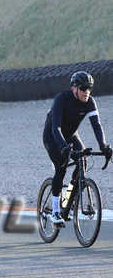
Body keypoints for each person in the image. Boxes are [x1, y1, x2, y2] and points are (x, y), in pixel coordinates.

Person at [43, 71, 112, 225]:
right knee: (61, 167)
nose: (87, 92)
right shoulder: (62, 99)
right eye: (83, 88)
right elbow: (56, 128)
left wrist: (103, 146)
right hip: (52, 136)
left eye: (89, 88)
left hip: (71, 135)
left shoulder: (90, 102)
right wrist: (64, 147)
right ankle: (55, 211)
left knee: (83, 161)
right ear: (74, 88)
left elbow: (97, 125)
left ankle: (67, 200)